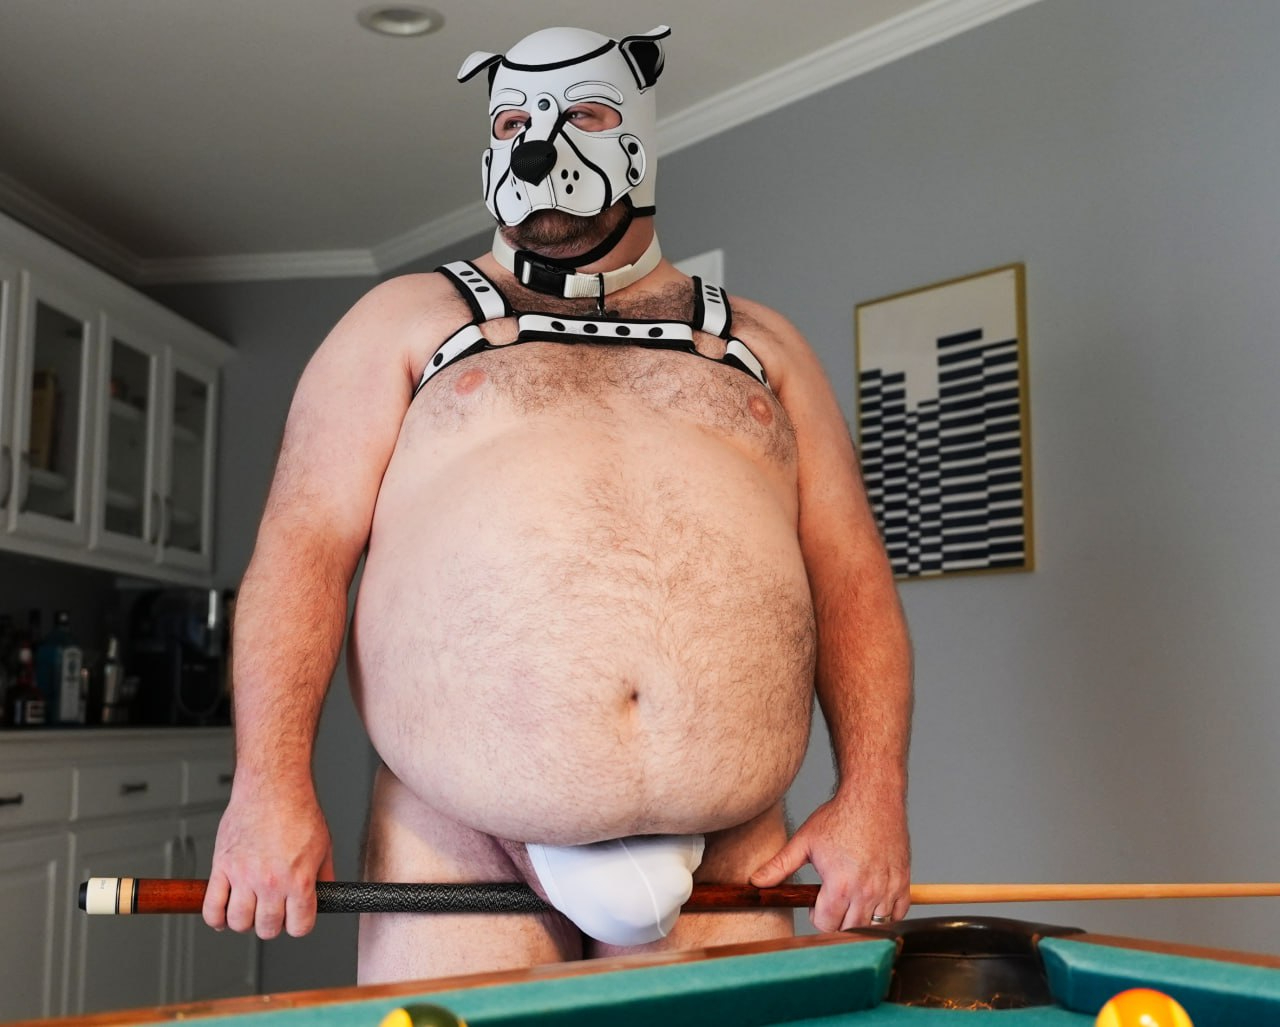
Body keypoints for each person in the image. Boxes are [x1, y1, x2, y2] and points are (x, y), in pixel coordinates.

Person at [204, 24, 913, 984]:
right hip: (459, 836)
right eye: (512, 123)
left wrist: (874, 790)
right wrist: (268, 783)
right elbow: (303, 549)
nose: (541, 145)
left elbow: (851, 574)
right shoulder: (407, 321)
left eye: (586, 113)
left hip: (734, 838)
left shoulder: (762, 345)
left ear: (641, 138)